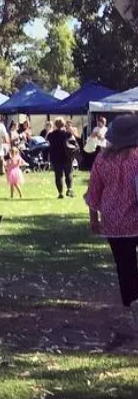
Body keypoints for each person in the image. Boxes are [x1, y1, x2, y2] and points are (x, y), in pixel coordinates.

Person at [85, 115, 138, 335]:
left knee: (124, 265)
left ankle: (132, 304)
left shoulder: (102, 160)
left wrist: (93, 219)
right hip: (136, 218)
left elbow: (93, 191)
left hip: (114, 222)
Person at [46, 118, 78, 199]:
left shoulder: (51, 135)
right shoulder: (68, 133)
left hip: (55, 157)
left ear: (55, 125)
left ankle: (60, 193)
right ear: (64, 124)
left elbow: (47, 142)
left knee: (58, 176)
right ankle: (69, 189)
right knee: (68, 173)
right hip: (67, 156)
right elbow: (74, 143)